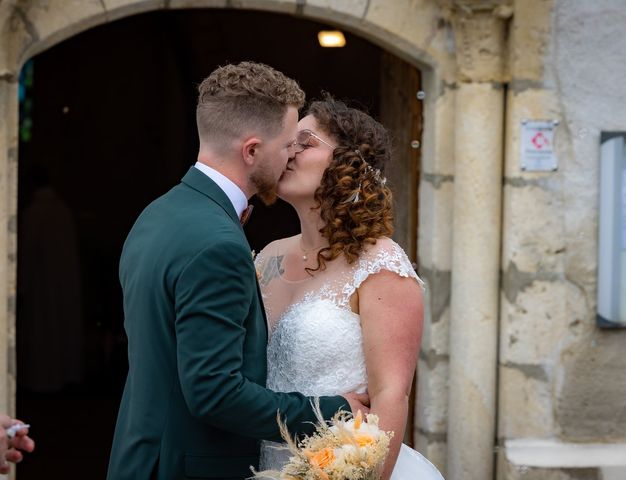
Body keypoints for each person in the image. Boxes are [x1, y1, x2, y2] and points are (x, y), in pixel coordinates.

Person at [107, 63, 368, 480]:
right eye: (286, 145)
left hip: (140, 457)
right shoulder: (218, 243)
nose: (290, 157)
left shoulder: (157, 214)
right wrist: (336, 409)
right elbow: (214, 391)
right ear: (251, 151)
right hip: (186, 466)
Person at [256, 97, 444, 479]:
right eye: (287, 142)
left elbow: (391, 395)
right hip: (265, 464)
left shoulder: (381, 264)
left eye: (304, 142)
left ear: (349, 161)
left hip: (341, 468)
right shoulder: (267, 259)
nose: (288, 152)